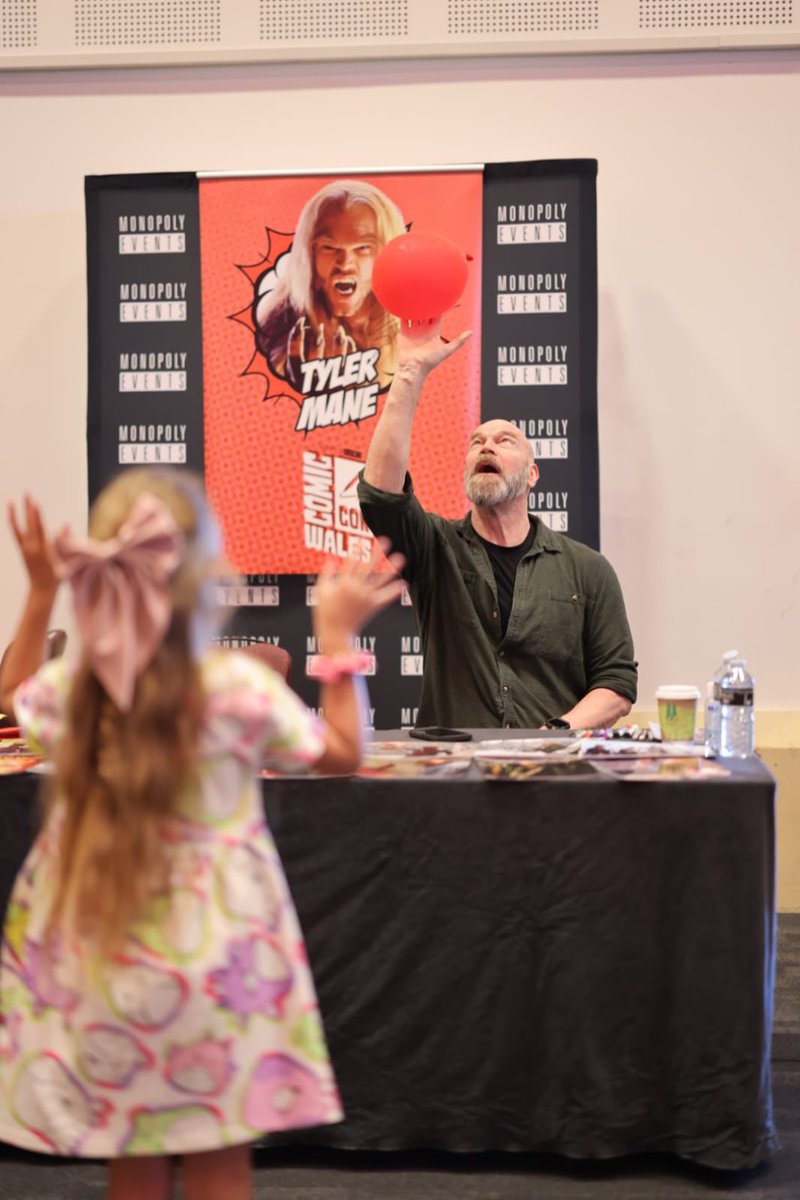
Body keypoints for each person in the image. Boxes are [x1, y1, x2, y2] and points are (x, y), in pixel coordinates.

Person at [0, 472, 403, 1200]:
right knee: (219, 1163)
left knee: (134, 1159)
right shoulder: (236, 688)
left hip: (99, 958)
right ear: (205, 574)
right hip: (220, 966)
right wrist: (335, 637)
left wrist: (37, 593)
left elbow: (12, 700)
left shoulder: (73, 692)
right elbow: (344, 753)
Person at [357, 321, 638, 730]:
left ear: (532, 475)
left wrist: (555, 735)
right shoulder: (435, 548)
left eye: (505, 440)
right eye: (476, 442)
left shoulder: (588, 569)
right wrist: (409, 375)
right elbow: (380, 493)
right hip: (456, 774)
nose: (486, 445)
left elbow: (616, 683)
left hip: (552, 773)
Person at [253, 179, 406, 391]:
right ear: (309, 255)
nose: (345, 264)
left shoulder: (411, 336)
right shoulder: (277, 333)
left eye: (363, 248)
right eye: (329, 248)